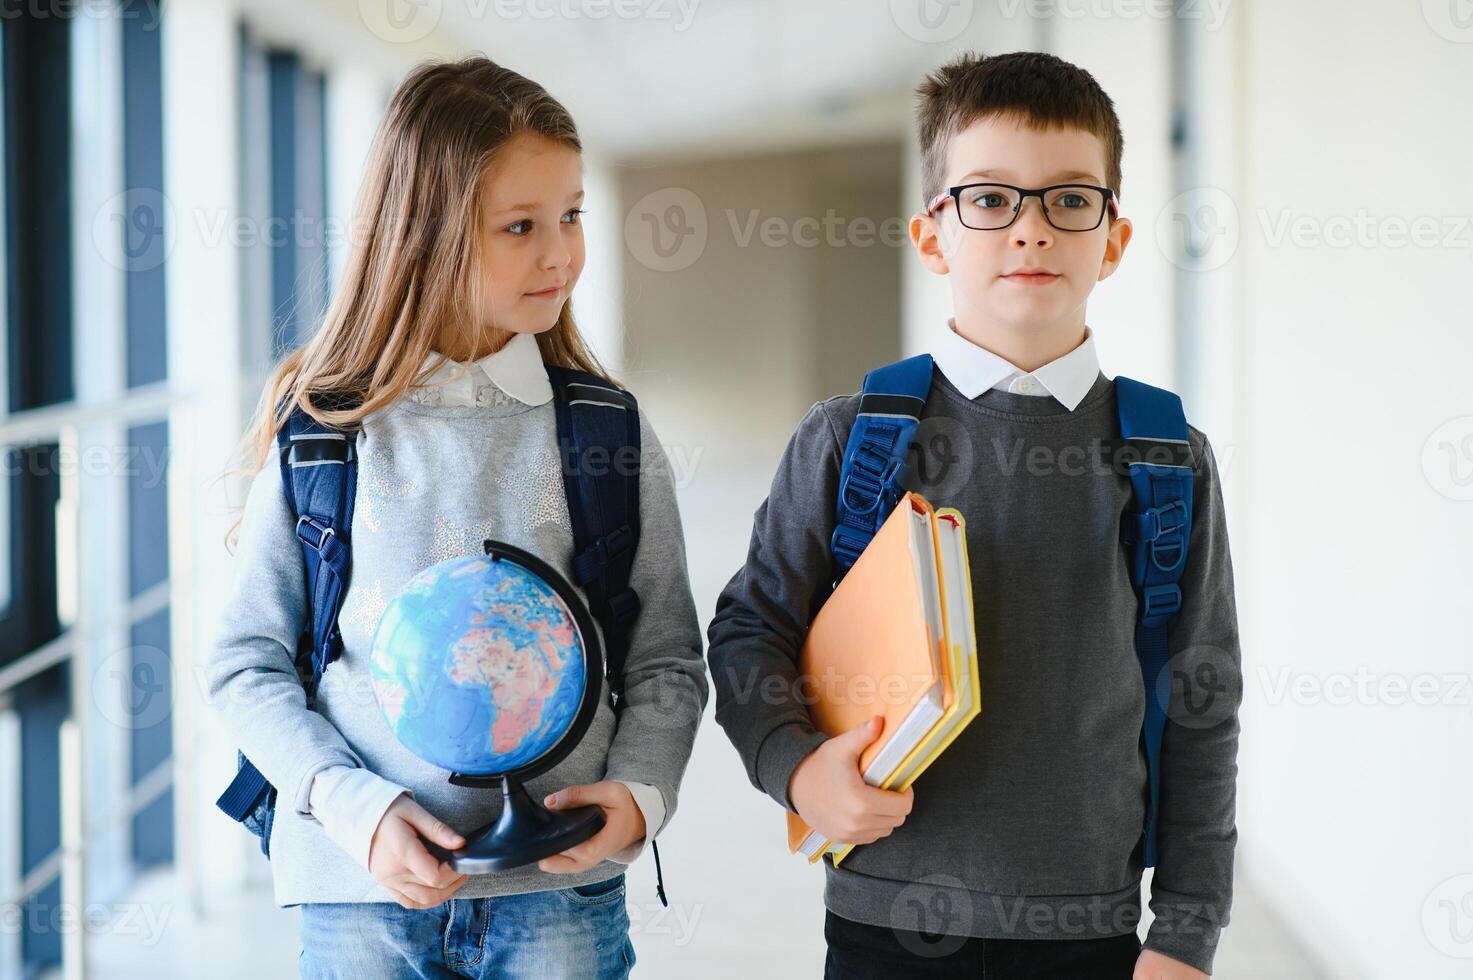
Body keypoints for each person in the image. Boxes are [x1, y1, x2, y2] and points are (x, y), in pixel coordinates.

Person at [707, 50, 1241, 980]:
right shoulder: (850, 439)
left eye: (1068, 199)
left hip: (1091, 928)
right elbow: (751, 627)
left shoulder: (1167, 456)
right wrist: (793, 768)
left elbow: (1201, 700)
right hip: (885, 914)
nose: (1029, 230)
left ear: (1111, 240)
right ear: (930, 236)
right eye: (989, 198)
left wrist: (1185, 933)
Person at [208, 56, 707, 979]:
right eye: (521, 226)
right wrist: (355, 809)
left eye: (571, 215)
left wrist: (640, 795)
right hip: (360, 889)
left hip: (558, 892)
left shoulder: (602, 428)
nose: (561, 253)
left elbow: (667, 653)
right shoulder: (324, 430)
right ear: (422, 236)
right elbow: (247, 665)